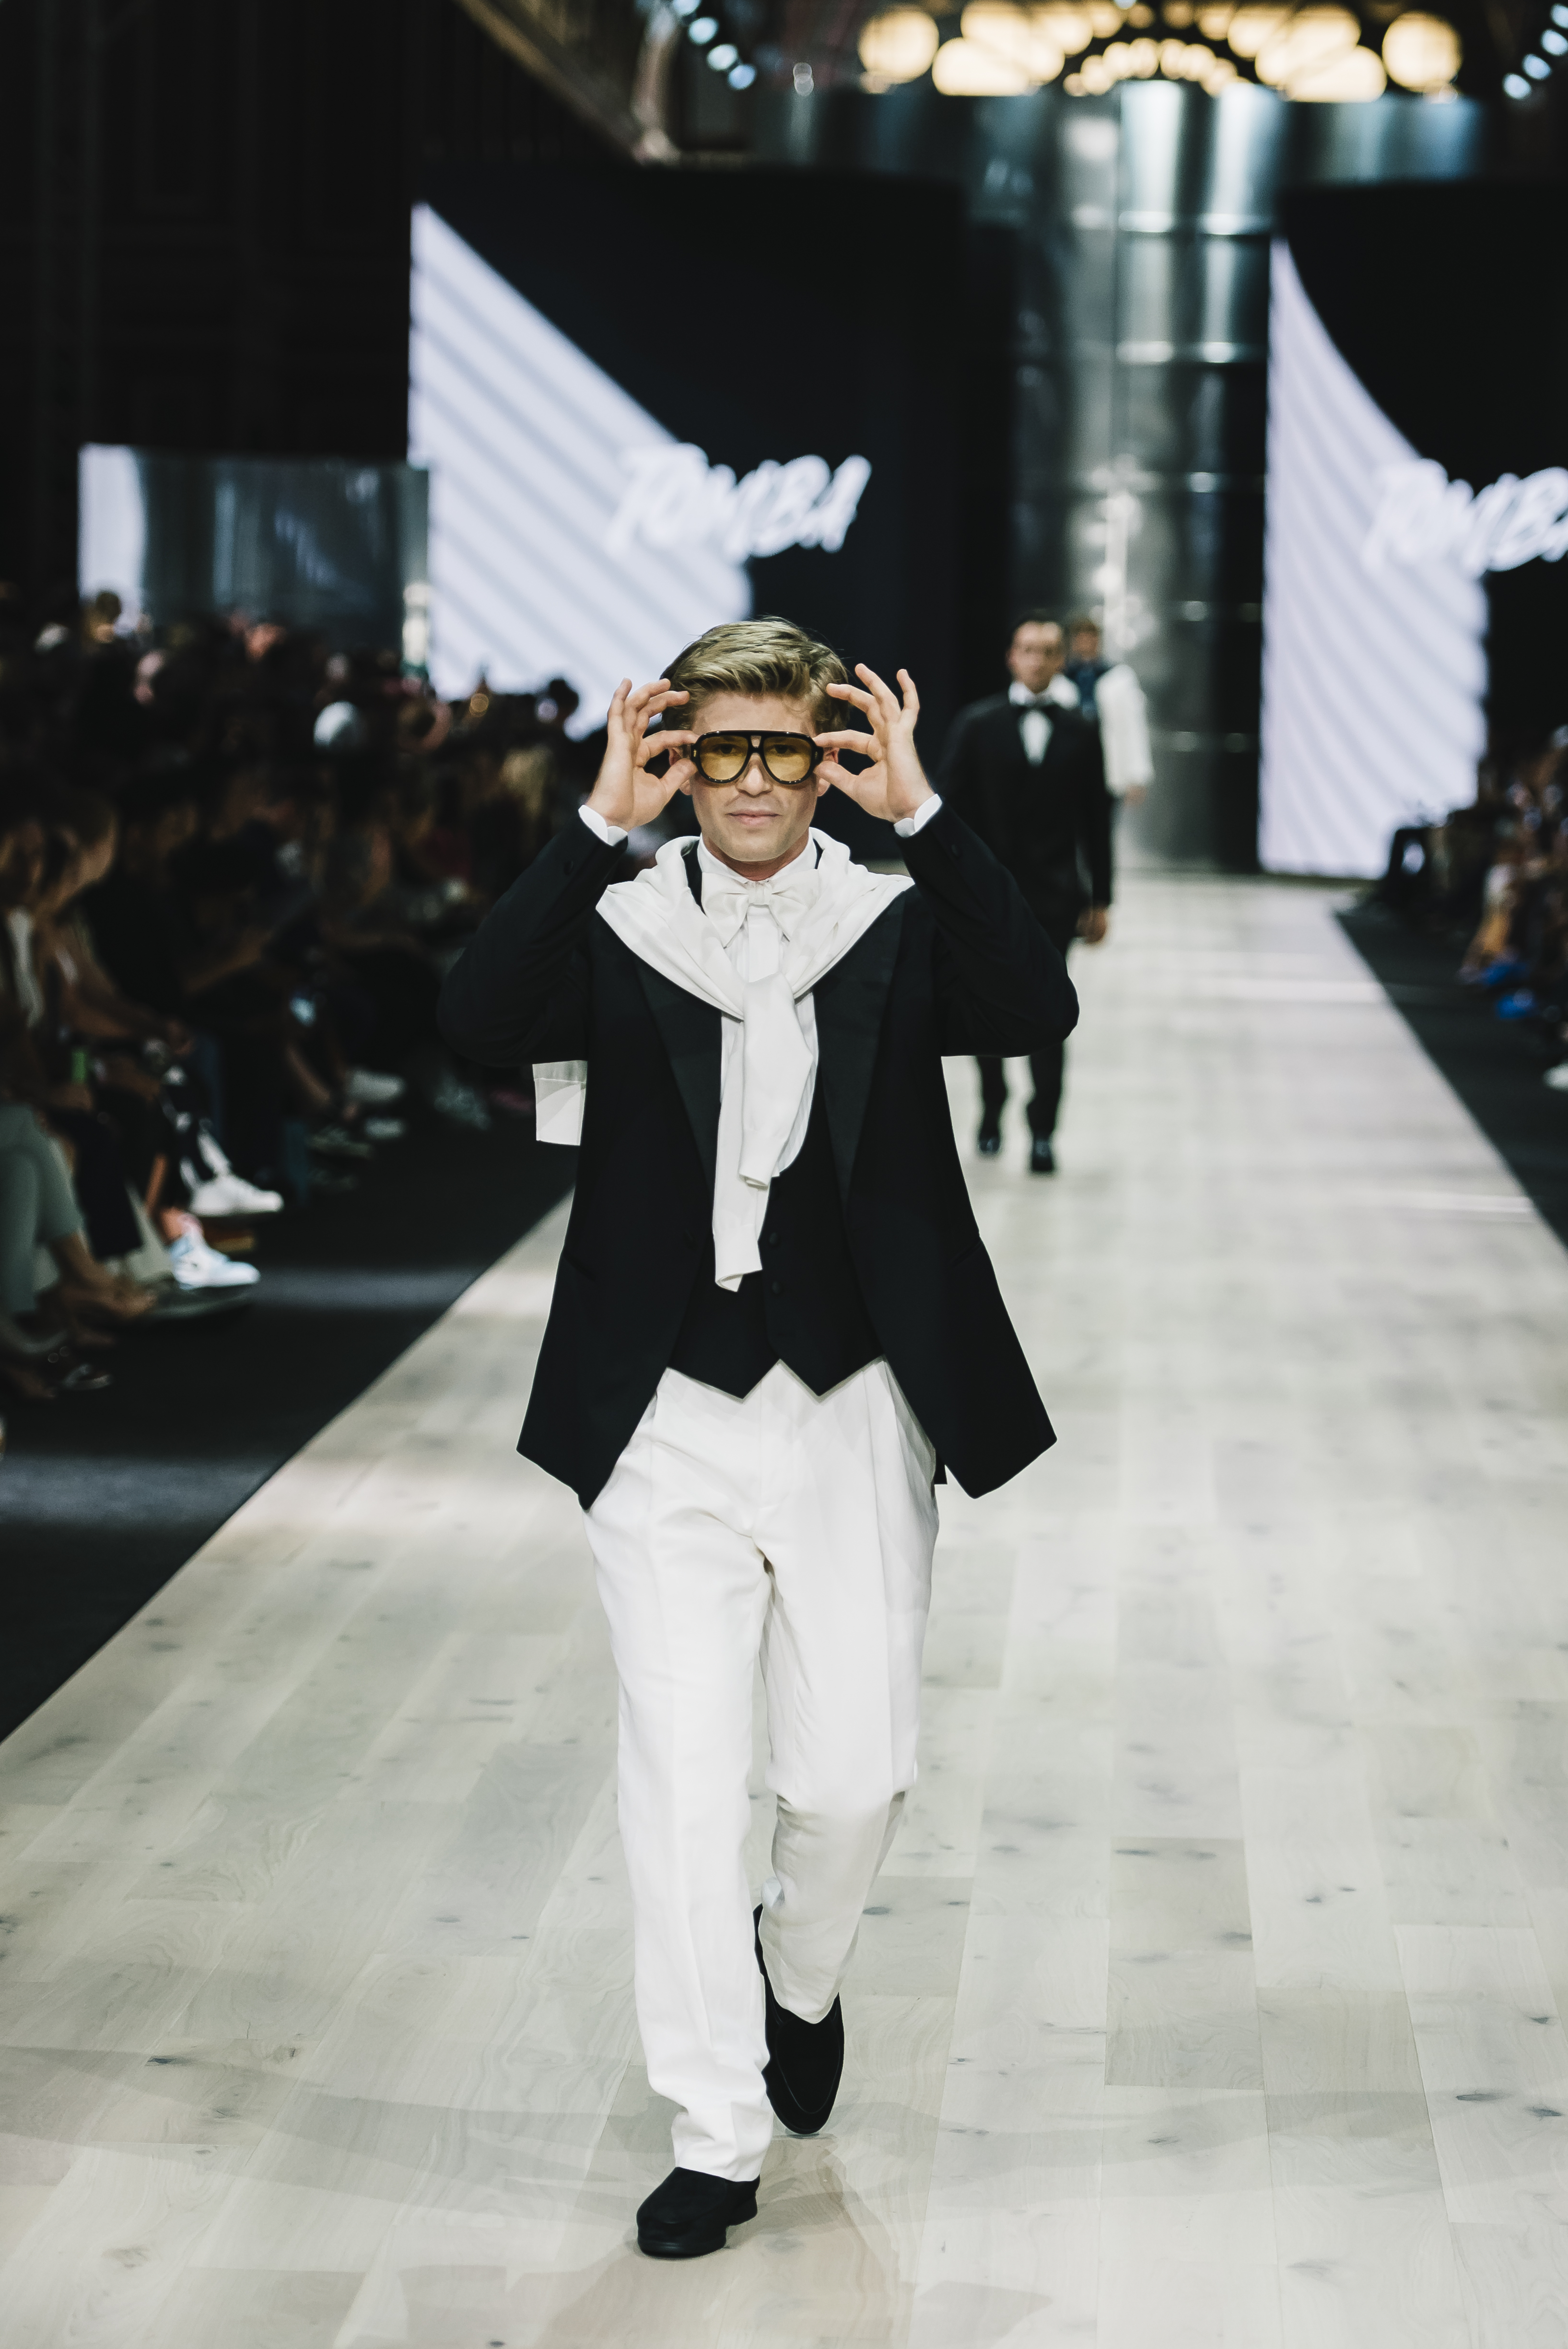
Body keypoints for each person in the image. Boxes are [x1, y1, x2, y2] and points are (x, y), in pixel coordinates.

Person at [439, 617, 1077, 2261]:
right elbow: (473, 1018)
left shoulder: (889, 919)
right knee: (679, 1777)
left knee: (854, 1775)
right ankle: (714, 2130)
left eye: (783, 749)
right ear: (679, 758)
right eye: (716, 748)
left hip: (858, 1400)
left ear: (825, 759)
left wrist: (929, 812)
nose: (749, 781)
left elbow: (1037, 1000)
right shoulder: (621, 918)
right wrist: (590, 819)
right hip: (659, 1412)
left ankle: (798, 1973)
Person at [936, 613, 1112, 1172]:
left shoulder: (1082, 730)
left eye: (1048, 651)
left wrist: (1102, 898)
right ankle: (992, 1105)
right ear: (1012, 657)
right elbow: (948, 812)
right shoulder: (977, 723)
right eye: (1028, 649)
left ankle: (1043, 1130)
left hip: (1055, 897)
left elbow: (1095, 822)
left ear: (1062, 661)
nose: (1037, 660)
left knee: (1050, 1012)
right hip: (987, 897)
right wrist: (947, 888)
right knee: (987, 1003)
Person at [1066, 613, 1153, 807]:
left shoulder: (1119, 678)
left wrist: (1137, 776)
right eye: (1080, 637)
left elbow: (1134, 727)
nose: (1085, 643)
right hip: (1070, 766)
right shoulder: (1062, 680)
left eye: (1090, 637)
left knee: (1101, 827)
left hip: (1105, 765)